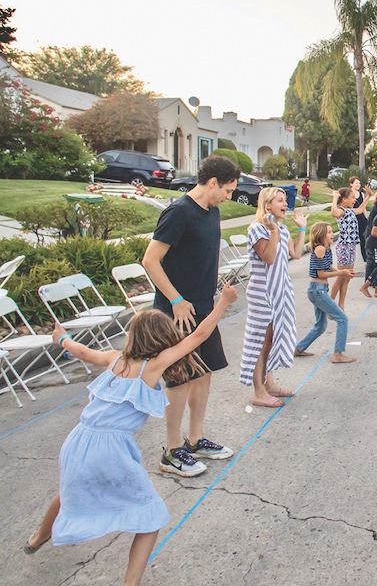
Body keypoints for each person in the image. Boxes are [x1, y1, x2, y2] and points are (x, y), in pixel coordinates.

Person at [24, 286, 238, 584]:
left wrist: (62, 339)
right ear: (163, 340)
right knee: (150, 518)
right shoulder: (152, 368)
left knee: (68, 491)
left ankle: (38, 537)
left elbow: (82, 352)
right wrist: (223, 303)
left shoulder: (115, 358)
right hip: (110, 450)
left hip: (78, 441)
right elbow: (199, 336)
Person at [142, 155, 240, 477]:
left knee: (205, 371)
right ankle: (171, 452)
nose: (229, 197)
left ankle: (195, 439)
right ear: (212, 183)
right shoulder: (178, 213)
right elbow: (150, 261)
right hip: (178, 313)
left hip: (204, 307)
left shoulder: (212, 211)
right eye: (227, 190)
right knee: (179, 379)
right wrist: (176, 300)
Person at [240, 187, 307, 408]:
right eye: (280, 200)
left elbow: (295, 254)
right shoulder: (257, 229)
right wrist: (273, 232)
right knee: (260, 341)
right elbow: (268, 258)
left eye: (285, 200)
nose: (285, 204)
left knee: (271, 339)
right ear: (267, 204)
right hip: (263, 292)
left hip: (280, 289)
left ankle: (269, 383)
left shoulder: (281, 228)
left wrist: (302, 229)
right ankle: (258, 391)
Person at [294, 222, 356, 363]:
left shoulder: (326, 248)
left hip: (320, 290)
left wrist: (344, 272)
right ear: (321, 235)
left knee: (321, 326)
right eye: (328, 232)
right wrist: (341, 272)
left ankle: (299, 349)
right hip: (317, 290)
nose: (332, 234)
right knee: (342, 318)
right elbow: (320, 274)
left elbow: (328, 266)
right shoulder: (320, 249)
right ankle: (338, 354)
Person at [330, 184, 371, 309]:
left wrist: (368, 196)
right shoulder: (342, 211)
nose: (354, 200)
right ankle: (330, 304)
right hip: (344, 247)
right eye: (352, 198)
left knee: (347, 277)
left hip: (352, 246)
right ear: (344, 200)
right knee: (341, 276)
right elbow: (333, 212)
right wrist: (335, 198)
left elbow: (360, 210)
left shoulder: (350, 211)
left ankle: (341, 304)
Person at [349, 176, 371, 263]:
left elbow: (363, 207)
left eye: (359, 183)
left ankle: (366, 259)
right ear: (351, 184)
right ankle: (350, 260)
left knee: (364, 240)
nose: (358, 185)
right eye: (356, 183)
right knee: (352, 240)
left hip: (361, 218)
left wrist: (366, 218)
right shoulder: (349, 194)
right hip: (353, 218)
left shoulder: (361, 194)